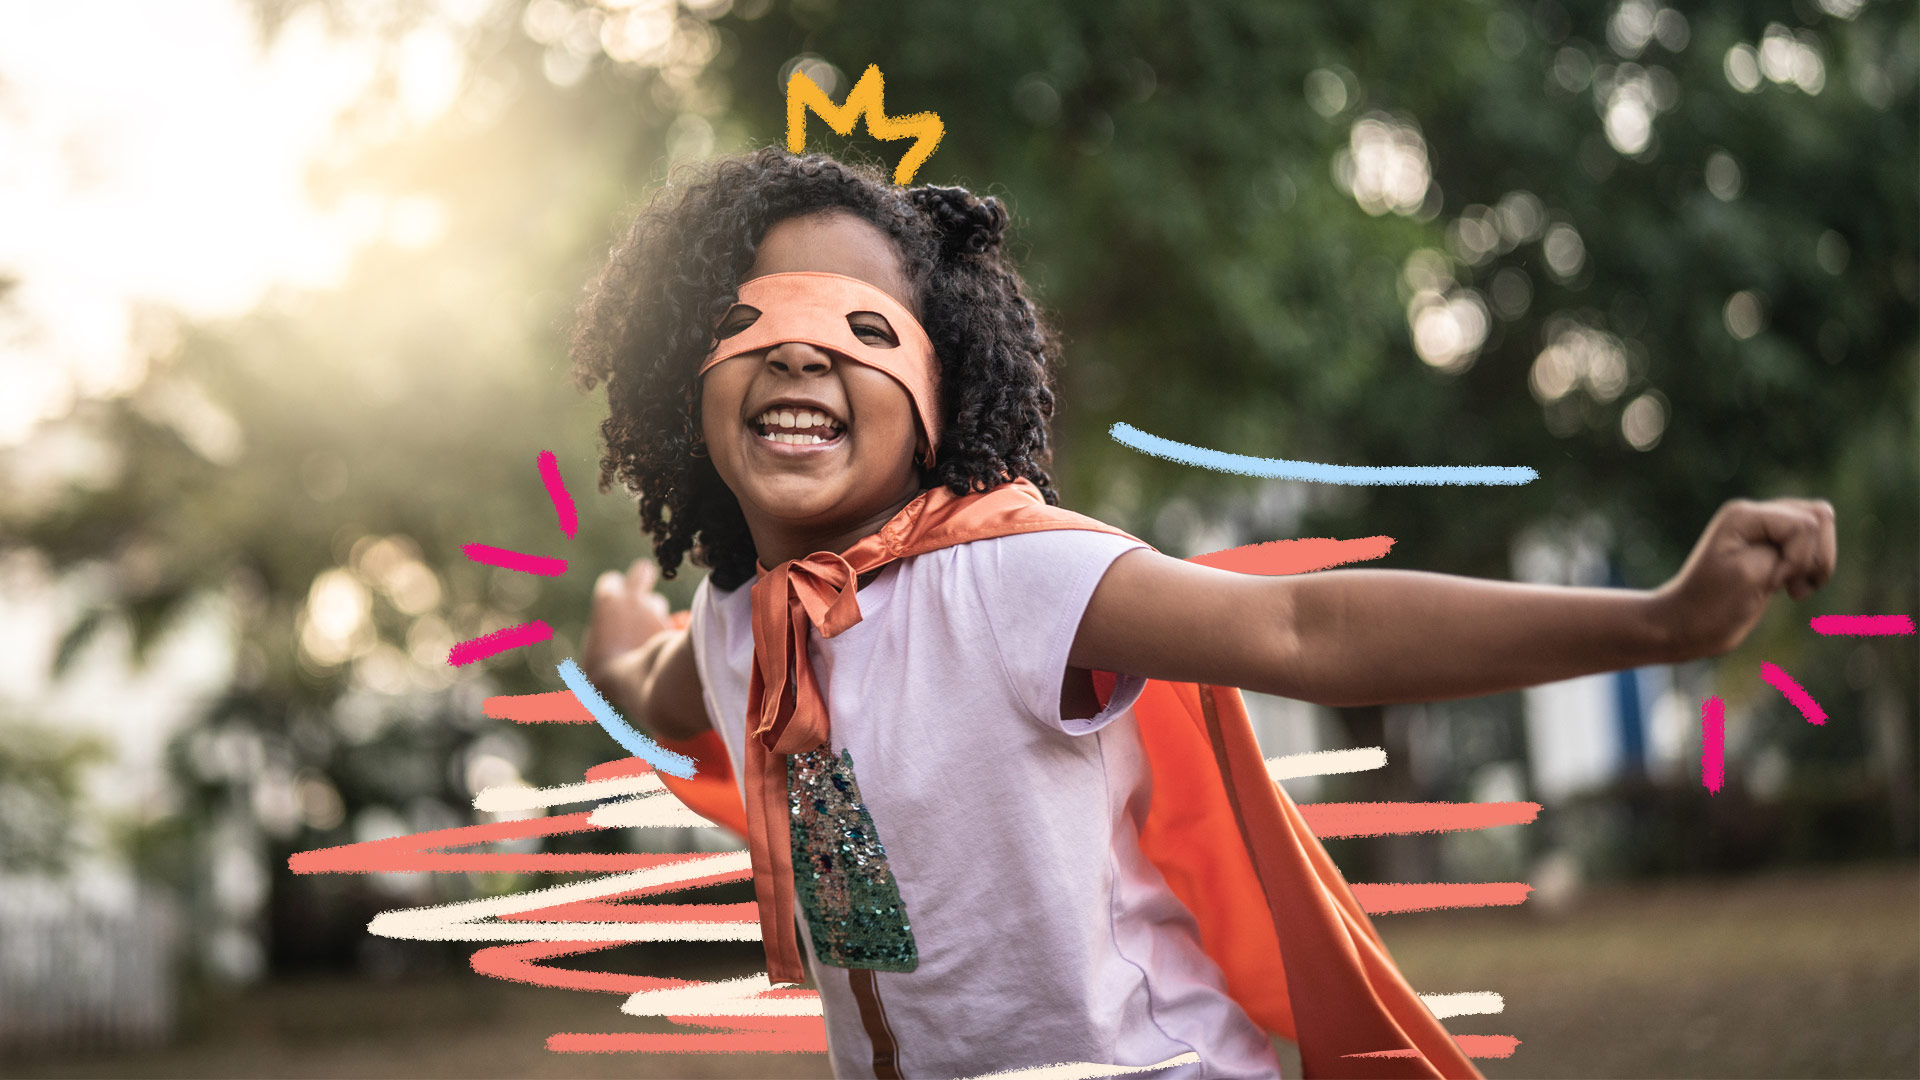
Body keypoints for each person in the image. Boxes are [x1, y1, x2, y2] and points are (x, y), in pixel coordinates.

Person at [569, 148, 1836, 1079]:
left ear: (942, 390)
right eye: (749, 323)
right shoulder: (740, 622)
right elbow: (666, 683)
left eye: (860, 328)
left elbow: (1303, 632)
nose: (802, 355)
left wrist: (1660, 623)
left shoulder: (1012, 581)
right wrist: (622, 651)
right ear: (684, 378)